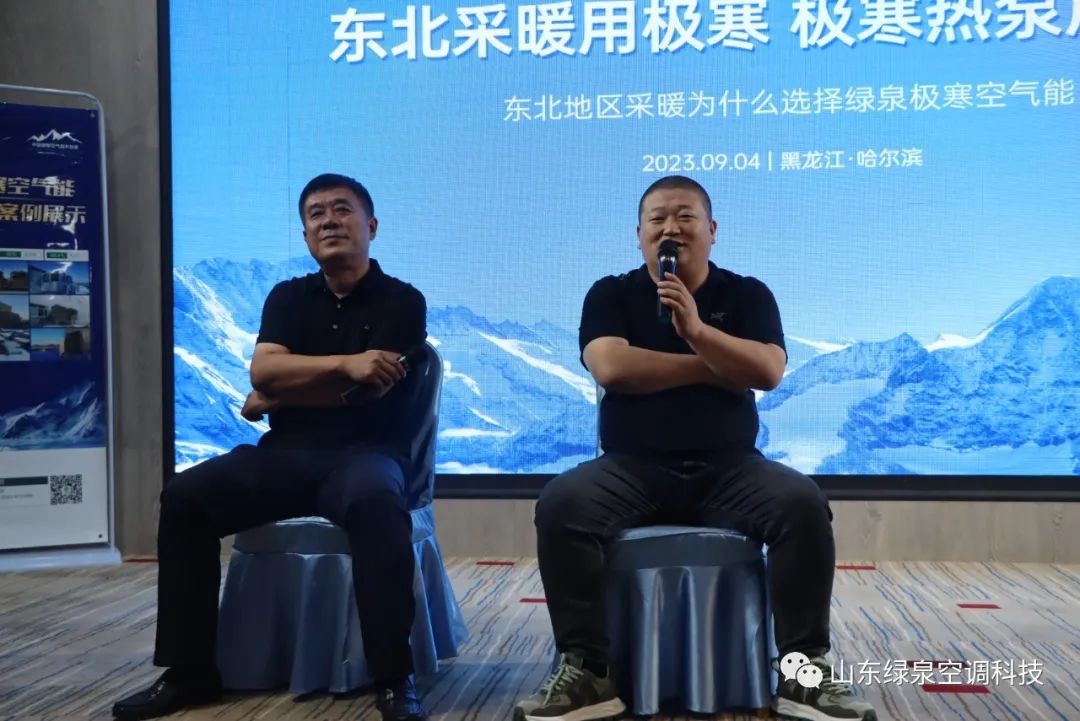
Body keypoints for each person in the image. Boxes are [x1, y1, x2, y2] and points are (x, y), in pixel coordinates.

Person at [513, 176, 877, 721]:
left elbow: (767, 371)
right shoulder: (610, 294)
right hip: (631, 468)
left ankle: (804, 671)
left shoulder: (747, 294)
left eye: (685, 216)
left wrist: (698, 331)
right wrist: (717, 367)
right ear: (639, 233)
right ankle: (587, 670)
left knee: (802, 504)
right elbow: (612, 367)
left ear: (712, 230)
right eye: (657, 218)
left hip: (731, 470)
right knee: (562, 505)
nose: (671, 228)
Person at [113, 173, 429, 721]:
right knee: (184, 498)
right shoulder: (287, 297)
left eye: (342, 209)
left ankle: (393, 679)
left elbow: (368, 391)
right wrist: (342, 364)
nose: (328, 221)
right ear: (306, 236)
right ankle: (189, 673)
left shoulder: (403, 300)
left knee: (377, 504)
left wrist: (281, 392)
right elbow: (264, 370)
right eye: (315, 214)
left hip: (368, 452)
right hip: (285, 454)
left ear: (371, 226)